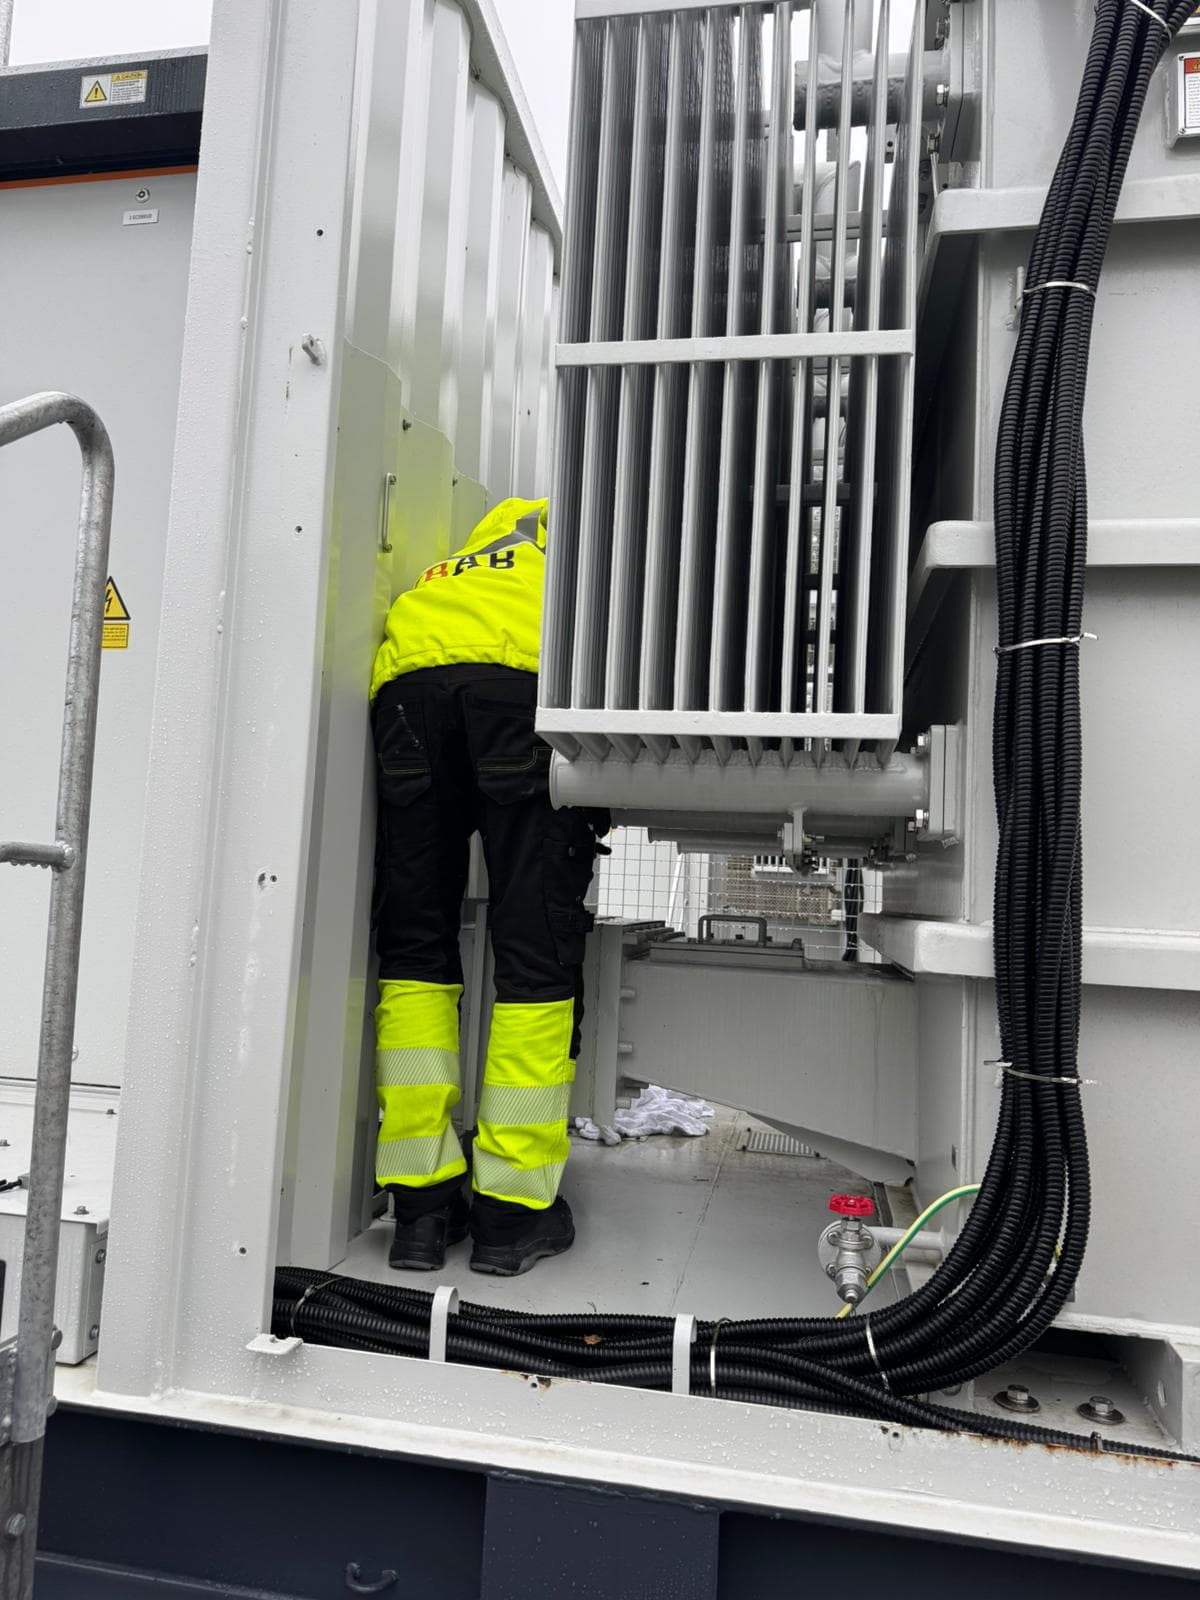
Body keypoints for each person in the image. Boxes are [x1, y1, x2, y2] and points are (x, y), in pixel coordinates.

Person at [368, 496, 607, 1277]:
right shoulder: (573, 547)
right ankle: (510, 1213)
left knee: (415, 949)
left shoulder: (470, 555)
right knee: (534, 958)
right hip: (517, 689)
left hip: (405, 692)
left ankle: (421, 1211)